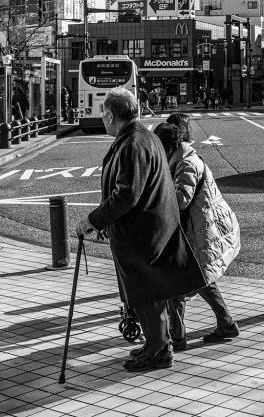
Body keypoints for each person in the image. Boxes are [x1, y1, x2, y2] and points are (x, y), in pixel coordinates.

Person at [74, 87, 205, 372]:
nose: (103, 119)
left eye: (104, 114)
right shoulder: (143, 137)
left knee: (146, 293)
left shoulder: (133, 143)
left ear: (110, 114)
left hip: (142, 232)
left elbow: (126, 194)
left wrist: (93, 221)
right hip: (151, 227)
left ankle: (158, 350)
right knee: (148, 292)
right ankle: (155, 345)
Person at [153, 122, 241, 345]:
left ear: (169, 147)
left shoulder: (187, 164)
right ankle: (224, 324)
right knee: (197, 280)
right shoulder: (180, 160)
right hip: (197, 229)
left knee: (185, 281)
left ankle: (179, 336)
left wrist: (157, 193)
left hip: (202, 230)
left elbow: (181, 200)